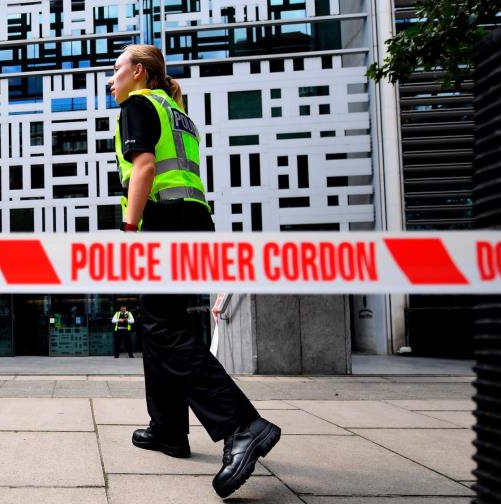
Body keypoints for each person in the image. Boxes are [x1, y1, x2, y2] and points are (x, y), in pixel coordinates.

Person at [107, 44, 282, 498]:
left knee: (161, 324)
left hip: (163, 220)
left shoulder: (139, 103)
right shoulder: (177, 109)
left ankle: (242, 425)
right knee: (163, 322)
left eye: (116, 71)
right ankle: (168, 428)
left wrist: (130, 229)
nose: (112, 80)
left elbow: (144, 166)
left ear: (138, 72)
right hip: (194, 219)